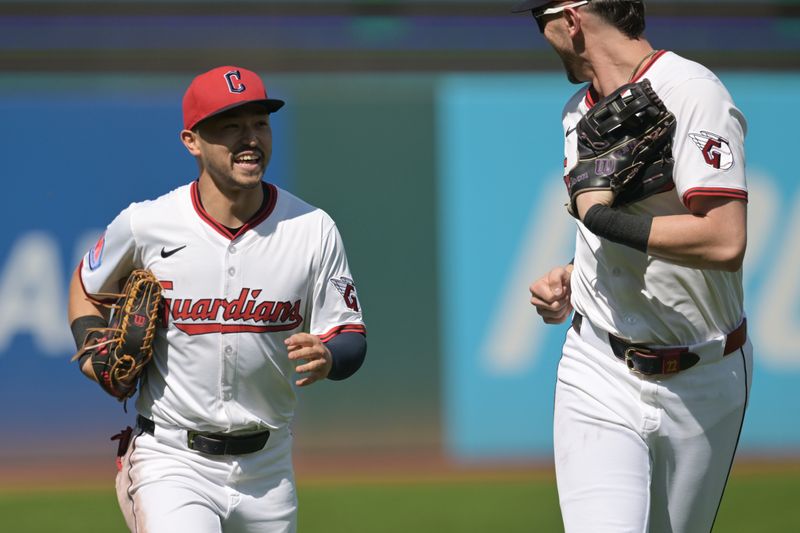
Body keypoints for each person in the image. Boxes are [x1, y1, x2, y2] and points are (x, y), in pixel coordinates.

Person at [67, 65, 367, 533]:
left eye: (260, 123)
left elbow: (351, 335)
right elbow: (86, 285)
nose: (251, 139)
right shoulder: (146, 224)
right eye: (231, 126)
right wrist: (91, 351)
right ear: (192, 140)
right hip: (171, 459)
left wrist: (329, 354)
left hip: (268, 469)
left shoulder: (312, 229)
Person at [514, 1, 752, 532]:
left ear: (572, 20)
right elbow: (612, 231)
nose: (541, 34)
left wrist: (599, 219)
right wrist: (577, 274)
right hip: (597, 366)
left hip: (704, 373)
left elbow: (724, 239)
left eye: (540, 19)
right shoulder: (577, 111)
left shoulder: (693, 92)